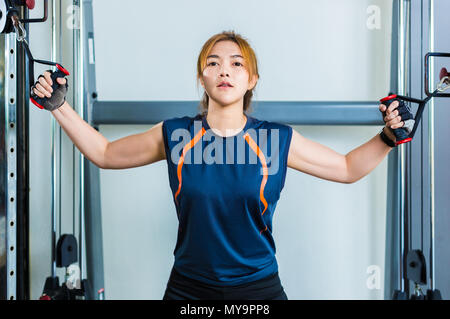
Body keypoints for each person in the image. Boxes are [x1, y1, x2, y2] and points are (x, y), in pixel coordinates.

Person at [31, 30, 406, 300]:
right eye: (213, 63)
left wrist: (390, 136)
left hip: (257, 288)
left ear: (252, 79)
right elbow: (106, 154)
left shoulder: (275, 139)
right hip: (189, 288)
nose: (224, 70)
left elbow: (346, 168)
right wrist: (59, 107)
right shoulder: (176, 134)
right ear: (202, 77)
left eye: (236, 63)